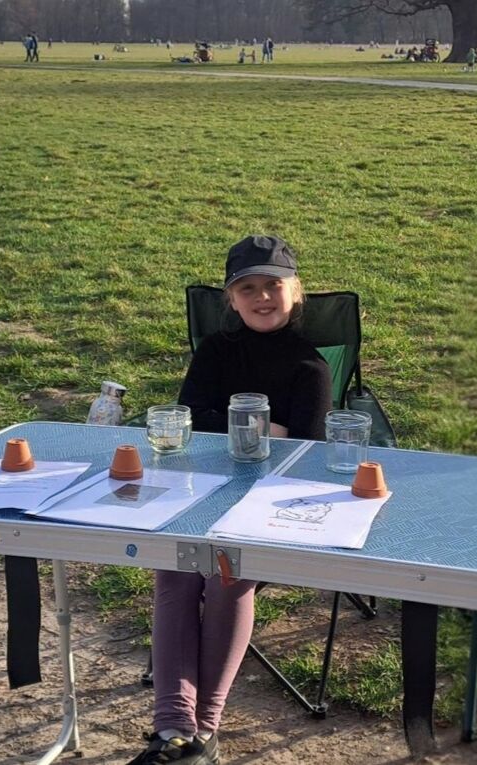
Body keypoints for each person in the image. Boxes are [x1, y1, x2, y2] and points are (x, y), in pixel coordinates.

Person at [127, 235, 330, 765]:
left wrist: (230, 423)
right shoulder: (217, 350)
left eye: (273, 286)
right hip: (202, 487)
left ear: (295, 292)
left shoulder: (310, 366)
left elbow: (308, 448)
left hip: (274, 499)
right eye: (248, 288)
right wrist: (267, 427)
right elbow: (188, 419)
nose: (262, 297)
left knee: (225, 573)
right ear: (232, 299)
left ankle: (204, 729)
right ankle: (173, 729)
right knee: (174, 570)